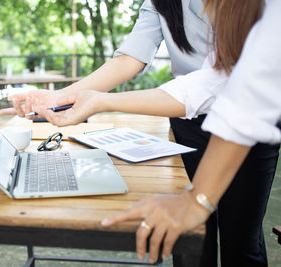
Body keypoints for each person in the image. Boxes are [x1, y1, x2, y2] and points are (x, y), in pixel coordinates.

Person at [29, 0, 280, 266]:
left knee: (242, 238)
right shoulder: (159, 4)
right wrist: (65, 97)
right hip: (189, 117)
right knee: (192, 236)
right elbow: (204, 82)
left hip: (252, 123)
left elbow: (239, 86)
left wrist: (197, 200)